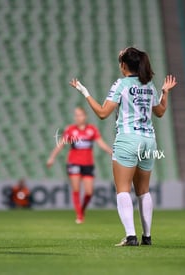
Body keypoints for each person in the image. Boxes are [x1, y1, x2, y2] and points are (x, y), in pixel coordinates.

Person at [70, 47, 177, 246]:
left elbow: (103, 113)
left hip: (128, 139)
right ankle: (147, 236)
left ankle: (131, 236)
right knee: (143, 190)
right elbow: (160, 112)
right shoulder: (148, 85)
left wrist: (85, 92)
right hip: (148, 140)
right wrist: (165, 93)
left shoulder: (122, 84)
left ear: (124, 65)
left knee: (122, 190)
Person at [47, 107, 112, 224]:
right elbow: (60, 145)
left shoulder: (92, 129)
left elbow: (101, 143)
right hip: (74, 162)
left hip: (88, 164)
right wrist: (52, 157)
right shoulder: (70, 130)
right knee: (76, 189)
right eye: (76, 115)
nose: (78, 117)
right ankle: (79, 215)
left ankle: (81, 210)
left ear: (85, 116)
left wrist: (112, 152)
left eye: (80, 115)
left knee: (89, 192)